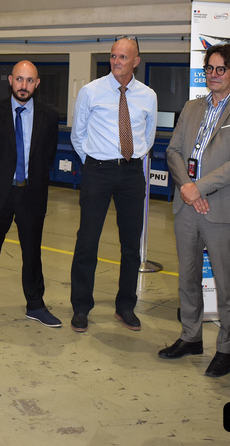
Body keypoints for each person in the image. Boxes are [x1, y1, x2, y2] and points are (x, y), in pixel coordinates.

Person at [160, 44, 230, 377]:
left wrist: (199, 188)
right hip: (187, 206)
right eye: (209, 68)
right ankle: (190, 337)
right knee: (188, 278)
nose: (213, 75)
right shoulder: (191, 107)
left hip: (222, 209)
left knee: (227, 284)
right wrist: (188, 189)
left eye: (221, 69)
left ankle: (225, 349)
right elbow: (174, 151)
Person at [69, 36, 157, 332]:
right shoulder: (91, 91)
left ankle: (126, 306)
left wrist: (131, 159)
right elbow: (78, 134)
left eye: (123, 57)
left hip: (132, 174)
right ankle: (81, 307)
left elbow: (149, 136)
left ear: (136, 62)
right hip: (98, 171)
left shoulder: (148, 96)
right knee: (87, 241)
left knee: (131, 245)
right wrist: (95, 162)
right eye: (113, 56)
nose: (116, 61)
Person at [0, 60, 61, 331]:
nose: (24, 85)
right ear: (10, 80)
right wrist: (1, 178)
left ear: (37, 84)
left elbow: (47, 156)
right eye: (20, 79)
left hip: (31, 196)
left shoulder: (49, 117)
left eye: (30, 80)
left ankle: (35, 304)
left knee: (32, 253)